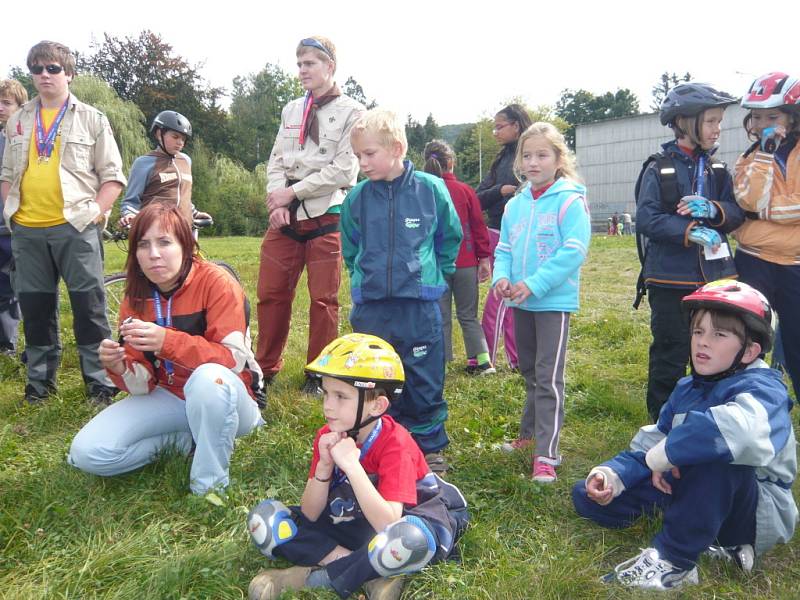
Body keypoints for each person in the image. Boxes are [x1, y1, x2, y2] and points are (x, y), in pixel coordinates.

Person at [572, 280, 797, 591]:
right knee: (590, 497)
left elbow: (737, 434)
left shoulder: (766, 388)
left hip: (752, 509)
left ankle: (675, 562)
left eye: (719, 334)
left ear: (749, 351)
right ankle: (695, 524)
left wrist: (664, 457)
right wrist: (614, 474)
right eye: (698, 332)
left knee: (717, 455)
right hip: (694, 485)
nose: (703, 342)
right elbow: (653, 443)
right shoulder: (687, 388)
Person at [246, 333, 468, 600]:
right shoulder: (328, 436)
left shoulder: (396, 442)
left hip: (399, 519)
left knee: (411, 539)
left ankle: (309, 578)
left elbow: (388, 523)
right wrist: (324, 468)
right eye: (326, 393)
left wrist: (353, 467)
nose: (328, 405)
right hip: (354, 522)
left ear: (378, 405)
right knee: (265, 520)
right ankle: (371, 572)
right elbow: (310, 514)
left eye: (341, 396)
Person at [68, 203, 265, 495]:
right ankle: (189, 440)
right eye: (143, 245)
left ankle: (209, 487)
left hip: (231, 399)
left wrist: (167, 342)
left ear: (186, 245)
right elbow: (142, 384)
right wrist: (120, 366)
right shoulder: (136, 295)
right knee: (87, 453)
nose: (154, 254)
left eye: (164, 242)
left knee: (209, 378)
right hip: (170, 395)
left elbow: (233, 361)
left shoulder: (217, 283)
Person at [0, 40, 126, 405]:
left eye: (53, 68)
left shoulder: (92, 118)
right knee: (36, 308)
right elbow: (7, 171)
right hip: (27, 228)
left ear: (69, 73)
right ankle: (39, 385)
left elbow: (113, 176)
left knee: (89, 307)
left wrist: (95, 214)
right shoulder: (20, 119)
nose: (44, 75)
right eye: (37, 69)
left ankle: (99, 383)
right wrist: (10, 211)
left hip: (75, 226)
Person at [339, 109, 462, 471]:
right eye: (358, 156)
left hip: (419, 305)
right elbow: (351, 247)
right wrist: (365, 279)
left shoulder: (430, 190)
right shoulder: (356, 199)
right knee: (372, 374)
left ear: (396, 148)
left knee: (423, 374)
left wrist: (435, 275)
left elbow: (448, 238)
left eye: (369, 154)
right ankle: (374, 440)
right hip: (373, 307)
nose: (362, 163)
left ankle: (427, 444)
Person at [257, 36, 364, 395]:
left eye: (310, 64)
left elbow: (345, 170)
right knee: (271, 293)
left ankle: (317, 373)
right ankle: (264, 368)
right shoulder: (291, 109)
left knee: (323, 300)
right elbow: (275, 160)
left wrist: (294, 193)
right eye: (299, 64)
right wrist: (277, 201)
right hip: (286, 216)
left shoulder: (353, 112)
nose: (302, 70)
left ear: (329, 67)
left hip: (326, 213)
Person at [637, 82, 744, 421]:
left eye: (719, 121)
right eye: (711, 121)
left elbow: (736, 212)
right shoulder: (659, 167)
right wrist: (687, 231)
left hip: (715, 279)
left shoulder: (718, 170)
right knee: (671, 351)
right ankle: (661, 423)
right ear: (684, 122)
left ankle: (711, 419)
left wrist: (714, 210)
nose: (718, 129)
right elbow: (647, 218)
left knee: (717, 350)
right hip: (670, 280)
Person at [492, 122, 591, 481]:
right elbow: (503, 248)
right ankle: (529, 436)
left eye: (542, 155)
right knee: (530, 372)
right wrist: (501, 277)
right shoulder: (515, 206)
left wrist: (534, 284)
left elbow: (575, 250)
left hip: (552, 302)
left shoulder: (570, 200)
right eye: (527, 155)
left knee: (549, 377)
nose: (534, 162)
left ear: (558, 159)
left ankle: (547, 454)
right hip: (521, 303)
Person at [732, 72, 800, 400]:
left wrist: (763, 215)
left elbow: (763, 209)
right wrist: (766, 153)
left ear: (792, 115)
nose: (763, 124)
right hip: (753, 261)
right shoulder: (749, 158)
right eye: (757, 116)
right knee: (746, 340)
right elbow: (749, 201)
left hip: (795, 265)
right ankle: (746, 412)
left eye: (772, 116)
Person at [423, 139, 493, 375]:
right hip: (466, 262)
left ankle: (440, 363)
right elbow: (478, 226)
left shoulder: (423, 189)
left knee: (440, 316)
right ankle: (481, 360)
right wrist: (484, 258)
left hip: (436, 266)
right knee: (468, 315)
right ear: (451, 162)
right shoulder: (465, 190)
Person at [476, 104, 532, 371]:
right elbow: (479, 196)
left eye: (500, 126)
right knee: (505, 300)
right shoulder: (501, 160)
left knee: (499, 300)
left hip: (519, 235)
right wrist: (500, 190)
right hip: (497, 231)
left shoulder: (527, 157)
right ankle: (514, 359)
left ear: (516, 126)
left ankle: (486, 359)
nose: (495, 131)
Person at [119, 110, 210, 228]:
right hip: (155, 229)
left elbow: (182, 194)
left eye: (183, 139)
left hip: (183, 230)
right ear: (158, 134)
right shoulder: (144, 162)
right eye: (175, 137)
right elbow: (131, 201)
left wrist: (194, 212)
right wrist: (129, 214)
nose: (180, 142)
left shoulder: (186, 161)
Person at [0, 79, 28, 357]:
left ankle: (17, 345)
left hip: (19, 227)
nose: (0, 108)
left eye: (6, 103)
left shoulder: (27, 141)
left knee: (20, 287)